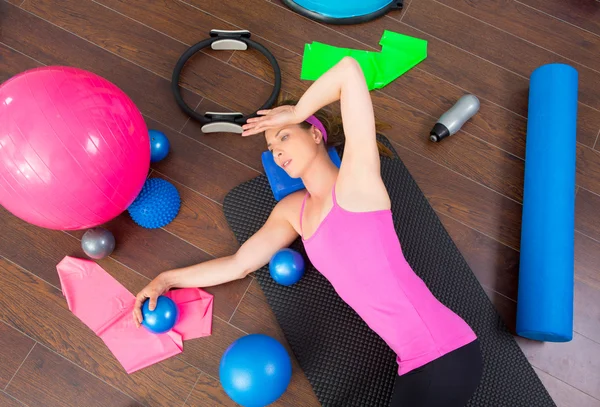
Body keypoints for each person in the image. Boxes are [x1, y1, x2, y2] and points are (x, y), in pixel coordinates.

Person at [133, 57, 483, 406]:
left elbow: (349, 71)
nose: (278, 150)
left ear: (315, 132)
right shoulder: (292, 212)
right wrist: (166, 279)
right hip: (413, 361)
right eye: (272, 148)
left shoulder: (356, 182)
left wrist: (296, 110)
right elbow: (239, 264)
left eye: (284, 135)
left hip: (443, 352)